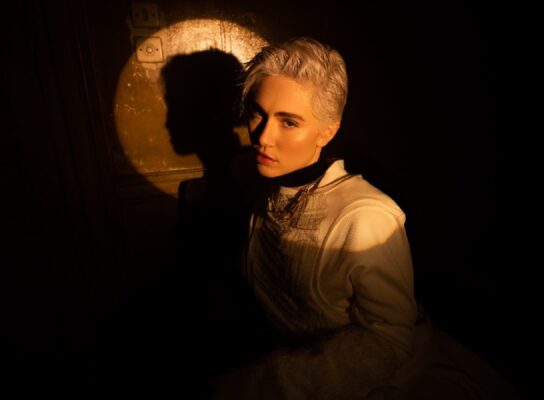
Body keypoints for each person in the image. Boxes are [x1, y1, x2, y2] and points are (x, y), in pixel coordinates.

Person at [210, 37, 521, 400]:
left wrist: (265, 385)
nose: (263, 137)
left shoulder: (367, 216)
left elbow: (388, 337)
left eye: (289, 122)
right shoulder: (259, 181)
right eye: (257, 113)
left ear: (328, 130)